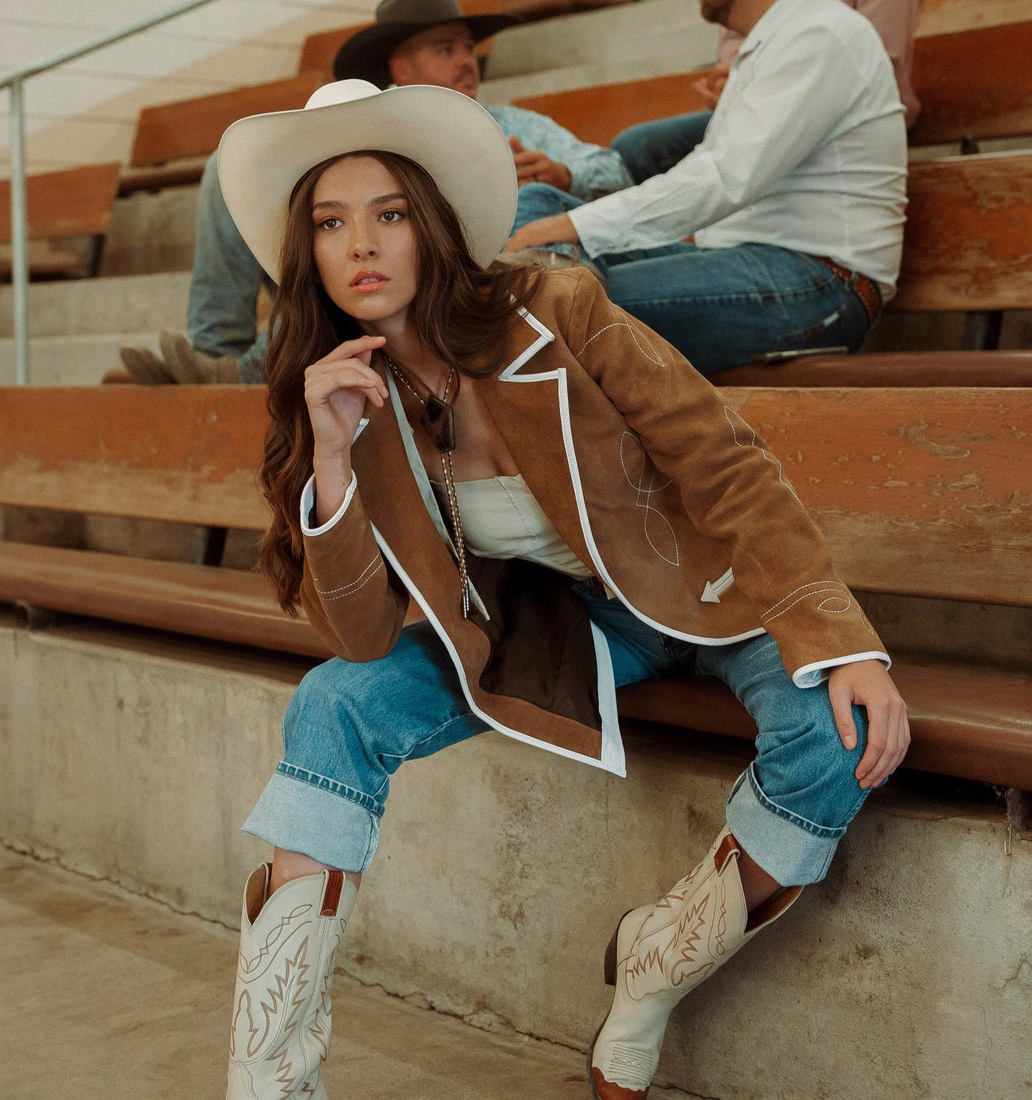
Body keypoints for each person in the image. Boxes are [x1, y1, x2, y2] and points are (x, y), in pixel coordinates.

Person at [214, 77, 909, 1099]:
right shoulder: (329, 393)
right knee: (332, 705)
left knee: (845, 735)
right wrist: (330, 458)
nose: (361, 244)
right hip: (560, 628)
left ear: (431, 224)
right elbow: (361, 636)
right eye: (330, 222)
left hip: (705, 587)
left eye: (389, 213)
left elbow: (719, 459)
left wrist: (838, 636)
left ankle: (649, 974)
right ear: (306, 250)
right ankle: (268, 1079)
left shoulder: (555, 306)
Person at [116, 0, 631, 386]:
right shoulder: (358, 125)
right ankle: (217, 357)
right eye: (446, 49)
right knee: (230, 172)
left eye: (468, 48)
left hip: (472, 265)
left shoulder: (512, 124)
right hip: (374, 264)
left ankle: (240, 374)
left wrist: (564, 174)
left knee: (370, 256)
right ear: (401, 68)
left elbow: (613, 168)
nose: (467, 62)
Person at [505, 0, 909, 377]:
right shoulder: (778, 40)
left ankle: (529, 311)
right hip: (744, 259)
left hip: (823, 282)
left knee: (561, 304)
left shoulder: (820, 31)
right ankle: (534, 295)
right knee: (540, 205)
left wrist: (576, 226)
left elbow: (724, 176)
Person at [613, 0, 923, 185]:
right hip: (768, 100)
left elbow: (873, 59)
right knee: (637, 147)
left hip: (848, 114)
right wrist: (733, 80)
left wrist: (760, 78)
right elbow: (737, 37)